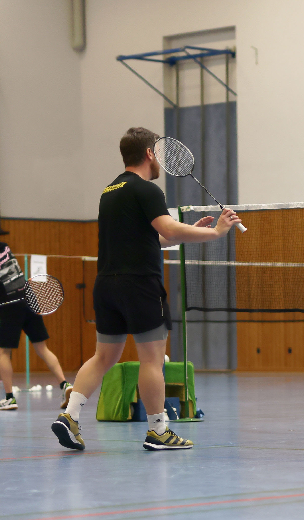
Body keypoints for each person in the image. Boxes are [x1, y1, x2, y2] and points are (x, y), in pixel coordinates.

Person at [52, 127, 241, 452]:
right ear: (149, 153)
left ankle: (70, 416)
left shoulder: (110, 190)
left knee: (103, 357)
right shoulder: (147, 190)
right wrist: (216, 233)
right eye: (157, 152)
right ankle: (158, 431)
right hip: (140, 285)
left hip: (106, 285)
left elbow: (153, 237)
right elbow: (168, 228)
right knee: (152, 359)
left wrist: (189, 230)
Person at [0, 217, 70, 410]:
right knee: (42, 348)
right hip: (28, 299)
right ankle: (65, 385)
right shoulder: (4, 246)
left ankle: (9, 398)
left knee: (4, 352)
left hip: (9, 306)